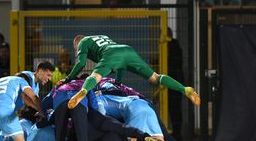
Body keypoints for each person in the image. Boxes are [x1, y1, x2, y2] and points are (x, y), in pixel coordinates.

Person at [58, 35, 200, 109]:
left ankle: (83, 92)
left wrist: (69, 78)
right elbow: (120, 65)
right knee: (155, 77)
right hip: (127, 50)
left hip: (111, 54)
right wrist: (118, 82)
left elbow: (81, 63)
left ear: (77, 44)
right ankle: (185, 89)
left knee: (95, 76)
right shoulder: (102, 37)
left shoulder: (83, 42)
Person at [167, 28, 184, 141]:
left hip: (174, 82)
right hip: (172, 81)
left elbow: (175, 62)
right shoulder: (172, 46)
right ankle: (174, 133)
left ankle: (177, 133)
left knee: (174, 109)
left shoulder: (173, 46)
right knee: (173, 108)